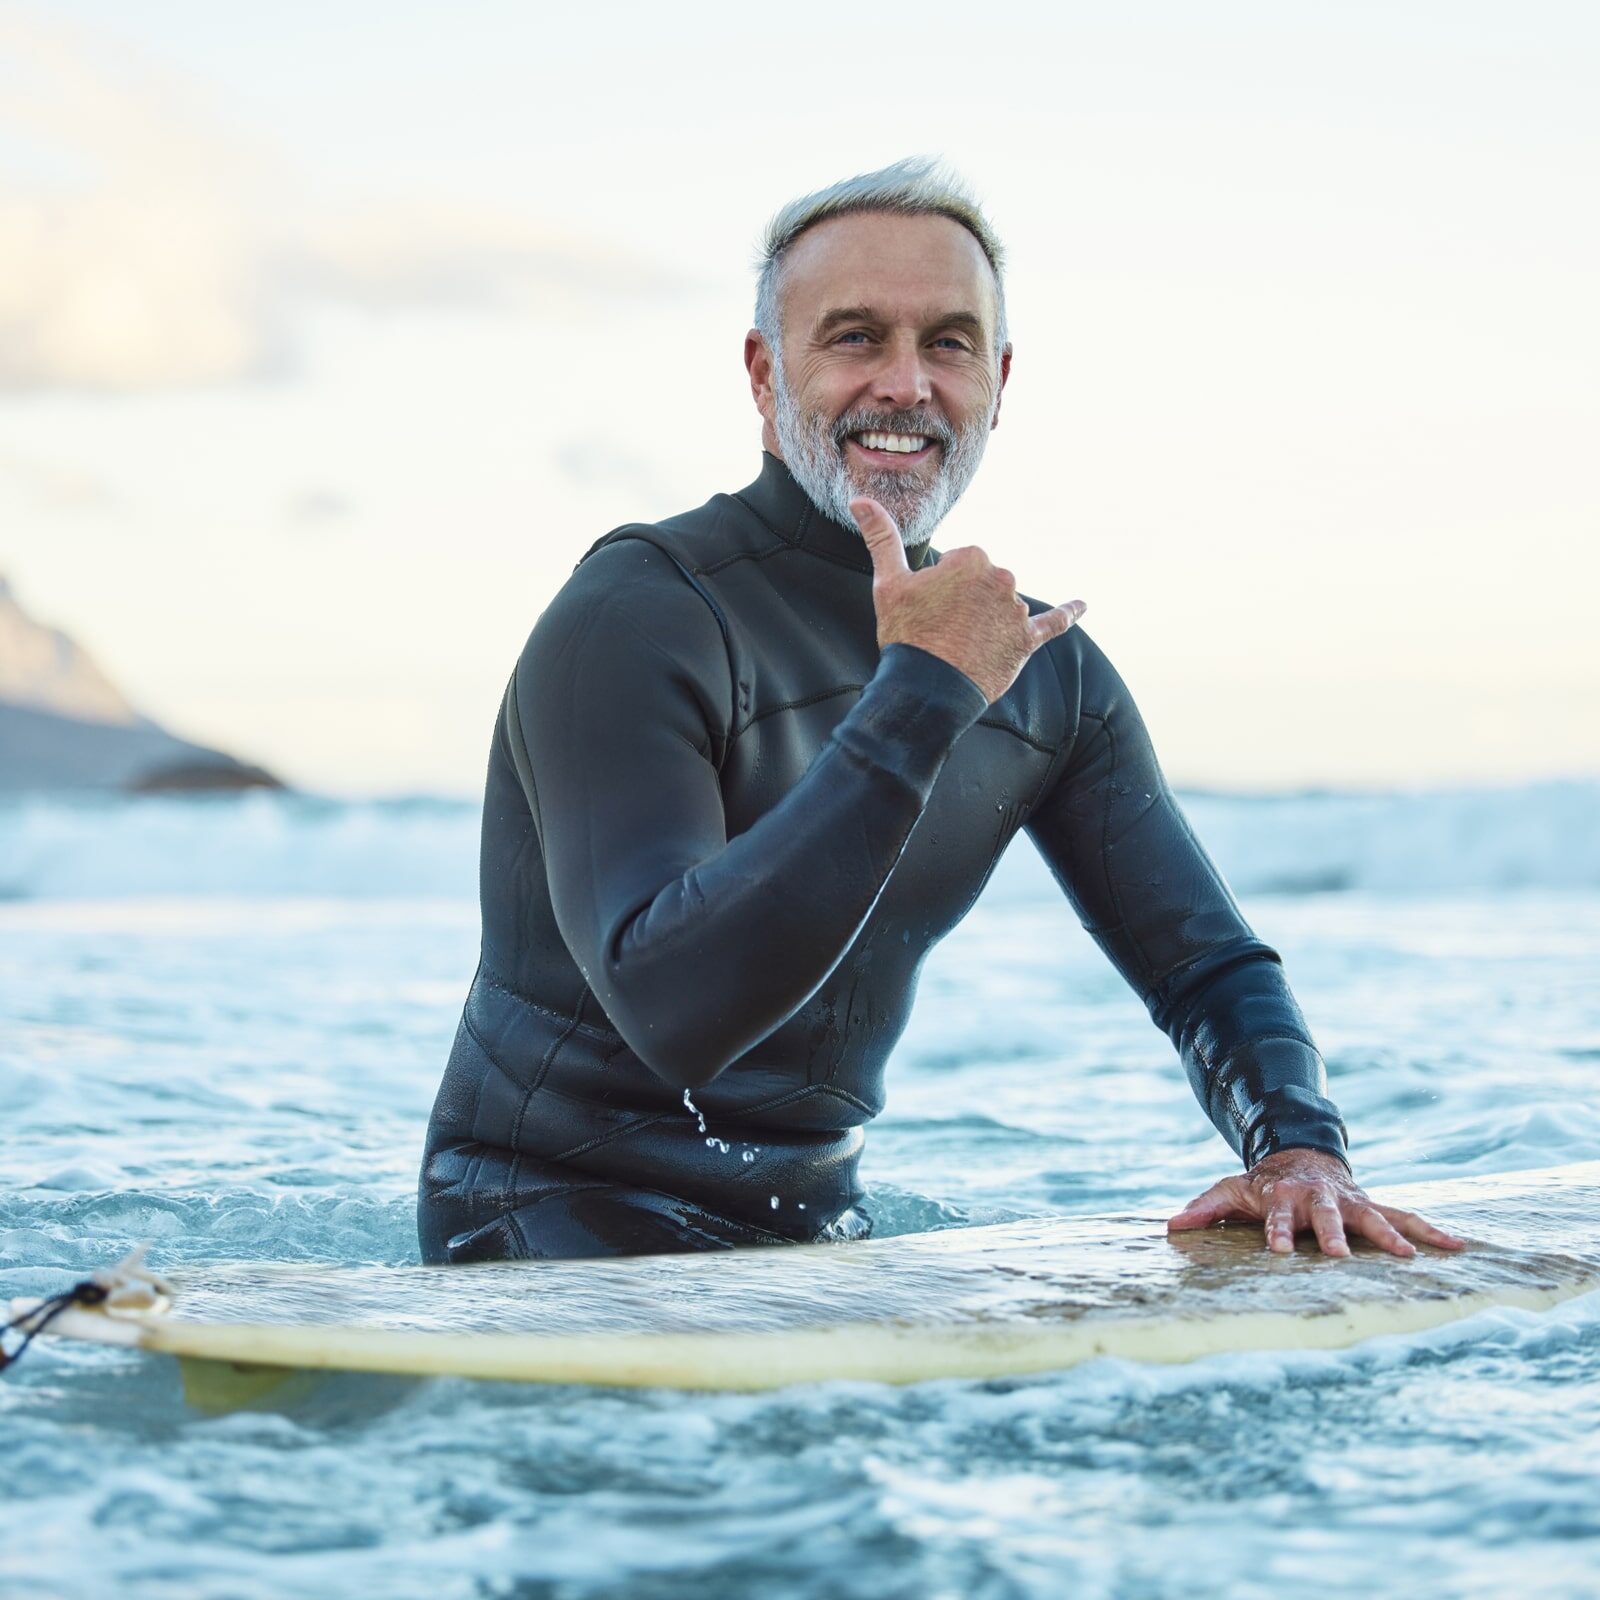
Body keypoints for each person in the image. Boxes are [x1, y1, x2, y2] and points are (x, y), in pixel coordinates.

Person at [417, 158, 1462, 1266]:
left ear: (999, 382)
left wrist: (1297, 1153)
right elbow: (673, 1011)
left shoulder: (1041, 670)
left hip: (810, 1232)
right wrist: (921, 691)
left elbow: (1204, 964)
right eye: (856, 336)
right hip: (539, 1218)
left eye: (949, 343)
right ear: (765, 375)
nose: (907, 384)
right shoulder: (637, 615)